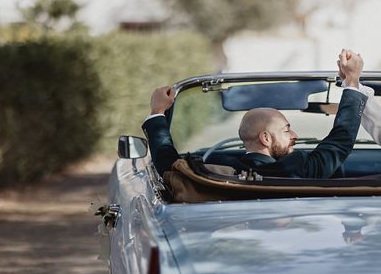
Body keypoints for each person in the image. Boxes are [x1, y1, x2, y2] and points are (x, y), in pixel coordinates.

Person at [142, 49, 369, 179]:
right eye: (287, 129)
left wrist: (157, 111)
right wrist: (352, 80)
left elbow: (166, 163)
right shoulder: (299, 167)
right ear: (266, 138)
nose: (295, 135)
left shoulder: (212, 170)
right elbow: (341, 140)